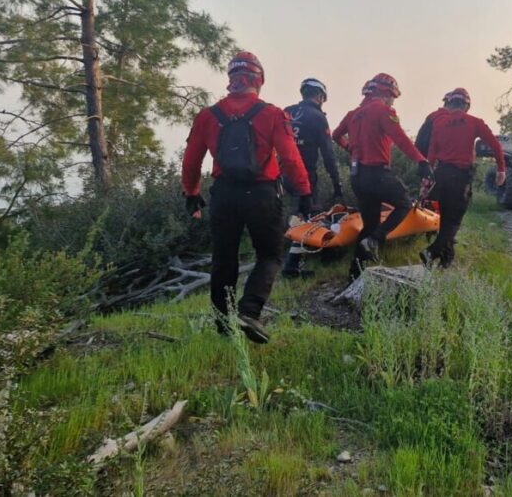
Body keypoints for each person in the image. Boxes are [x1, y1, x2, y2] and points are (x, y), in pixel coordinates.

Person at [181, 51, 312, 344]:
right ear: (259, 80)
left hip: (224, 194)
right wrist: (303, 192)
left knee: (223, 258)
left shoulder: (207, 116)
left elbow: (190, 162)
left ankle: (223, 324)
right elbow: (291, 159)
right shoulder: (272, 114)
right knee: (270, 254)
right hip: (262, 194)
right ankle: (249, 312)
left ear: (231, 80)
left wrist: (191, 192)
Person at [339, 73, 432, 279]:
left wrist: (351, 149)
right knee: (404, 203)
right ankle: (376, 240)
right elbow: (400, 138)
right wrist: (421, 160)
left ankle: (354, 275)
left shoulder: (353, 114)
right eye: (393, 96)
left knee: (369, 225)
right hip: (377, 174)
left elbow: (336, 134)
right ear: (386, 93)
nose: (393, 101)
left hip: (357, 177)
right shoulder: (382, 110)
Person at [415, 88, 504, 268]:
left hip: (441, 175)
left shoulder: (440, 123)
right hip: (461, 177)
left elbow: (432, 152)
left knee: (446, 218)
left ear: (450, 103)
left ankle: (446, 259)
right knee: (453, 221)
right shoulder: (474, 122)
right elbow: (495, 145)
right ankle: (431, 252)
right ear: (467, 105)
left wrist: (427, 179)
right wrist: (501, 169)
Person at [281, 78, 344, 277]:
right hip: (305, 175)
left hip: (281, 174)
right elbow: (328, 154)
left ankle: (293, 261)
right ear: (320, 96)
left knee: (300, 214)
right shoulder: (317, 117)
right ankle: (293, 266)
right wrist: (337, 184)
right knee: (311, 215)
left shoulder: (287, 111)